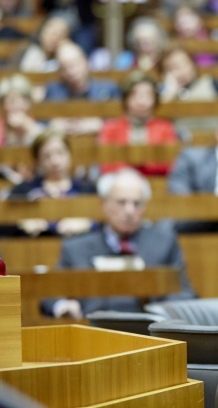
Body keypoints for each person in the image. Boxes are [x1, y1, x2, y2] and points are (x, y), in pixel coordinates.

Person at [41, 168, 196, 319]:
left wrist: (164, 314)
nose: (129, 210)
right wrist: (63, 306)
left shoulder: (164, 243)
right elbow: (50, 295)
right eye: (121, 202)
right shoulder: (75, 248)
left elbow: (186, 293)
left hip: (150, 334)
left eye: (137, 203)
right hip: (93, 333)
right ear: (104, 204)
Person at [8, 130, 96, 237]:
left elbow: (104, 224)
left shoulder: (88, 189)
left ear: (70, 154)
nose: (55, 161)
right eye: (47, 156)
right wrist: (22, 223)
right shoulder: (22, 191)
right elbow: (6, 223)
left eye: (60, 153)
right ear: (38, 160)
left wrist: (87, 224)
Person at [98, 71, 178, 176]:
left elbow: (170, 164)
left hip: (157, 180)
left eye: (147, 95)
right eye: (135, 95)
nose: (141, 102)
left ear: (155, 99)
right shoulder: (110, 128)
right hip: (118, 180)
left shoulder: (165, 127)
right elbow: (106, 165)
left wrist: (142, 168)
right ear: (126, 99)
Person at [44, 40, 119, 136]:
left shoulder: (108, 88)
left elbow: (121, 121)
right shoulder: (53, 91)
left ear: (86, 62)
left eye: (74, 65)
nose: (71, 72)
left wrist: (101, 125)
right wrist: (52, 124)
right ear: (60, 72)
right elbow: (42, 121)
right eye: (64, 68)